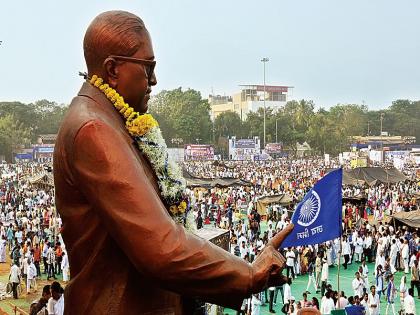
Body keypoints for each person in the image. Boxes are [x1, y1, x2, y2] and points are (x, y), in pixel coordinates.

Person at [53, 11, 295, 314]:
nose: (153, 79)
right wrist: (249, 274)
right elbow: (161, 247)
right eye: (147, 67)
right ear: (112, 69)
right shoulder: (94, 130)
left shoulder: (109, 122)